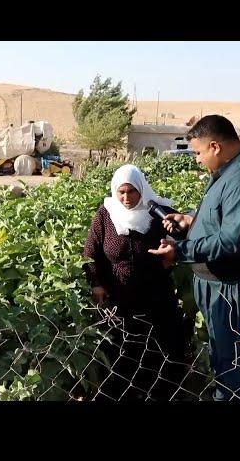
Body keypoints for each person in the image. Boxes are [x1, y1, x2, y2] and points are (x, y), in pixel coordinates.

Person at [149, 115, 240, 401]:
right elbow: (223, 220)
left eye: (198, 152)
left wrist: (179, 251)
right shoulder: (228, 173)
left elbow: (232, 241)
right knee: (226, 357)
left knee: (236, 364)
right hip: (222, 288)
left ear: (215, 146)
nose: (196, 159)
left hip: (239, 293)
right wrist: (189, 221)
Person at [83, 164, 187, 401]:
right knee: (122, 351)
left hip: (156, 294)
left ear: (142, 190)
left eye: (132, 192)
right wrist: (96, 283)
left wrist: (174, 246)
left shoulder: (158, 212)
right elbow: (91, 253)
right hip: (118, 296)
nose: (126, 198)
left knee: (160, 349)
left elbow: (183, 236)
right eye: (121, 192)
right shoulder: (105, 214)